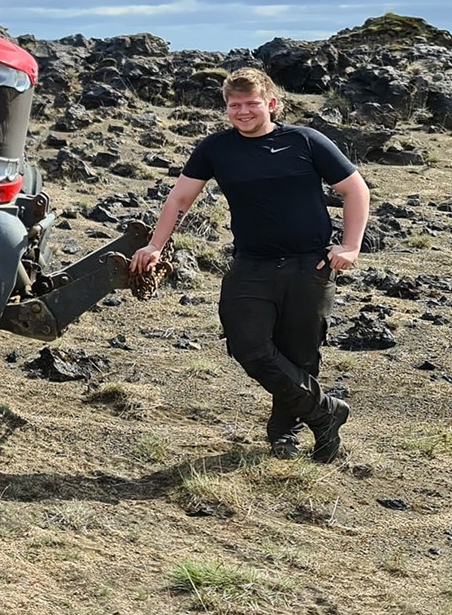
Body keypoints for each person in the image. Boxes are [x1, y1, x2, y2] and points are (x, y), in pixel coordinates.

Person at [130, 66, 369, 462]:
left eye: (251, 104)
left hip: (309, 266)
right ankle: (326, 412)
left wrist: (351, 246)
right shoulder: (215, 148)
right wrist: (156, 245)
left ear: (271, 104)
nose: (242, 111)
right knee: (249, 346)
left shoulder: (305, 140)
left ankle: (288, 434)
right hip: (252, 264)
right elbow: (179, 199)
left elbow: (354, 189)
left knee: (300, 355)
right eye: (234, 105)